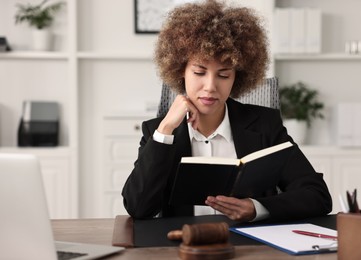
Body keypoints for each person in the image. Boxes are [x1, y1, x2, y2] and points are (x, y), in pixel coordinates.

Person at [122, 0, 332, 222]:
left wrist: (256, 208)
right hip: (184, 247)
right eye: (199, 72)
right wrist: (165, 129)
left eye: (223, 75)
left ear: (237, 77)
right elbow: (138, 208)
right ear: (181, 71)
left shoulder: (265, 125)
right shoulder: (158, 132)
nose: (211, 86)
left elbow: (317, 195)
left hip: (249, 249)